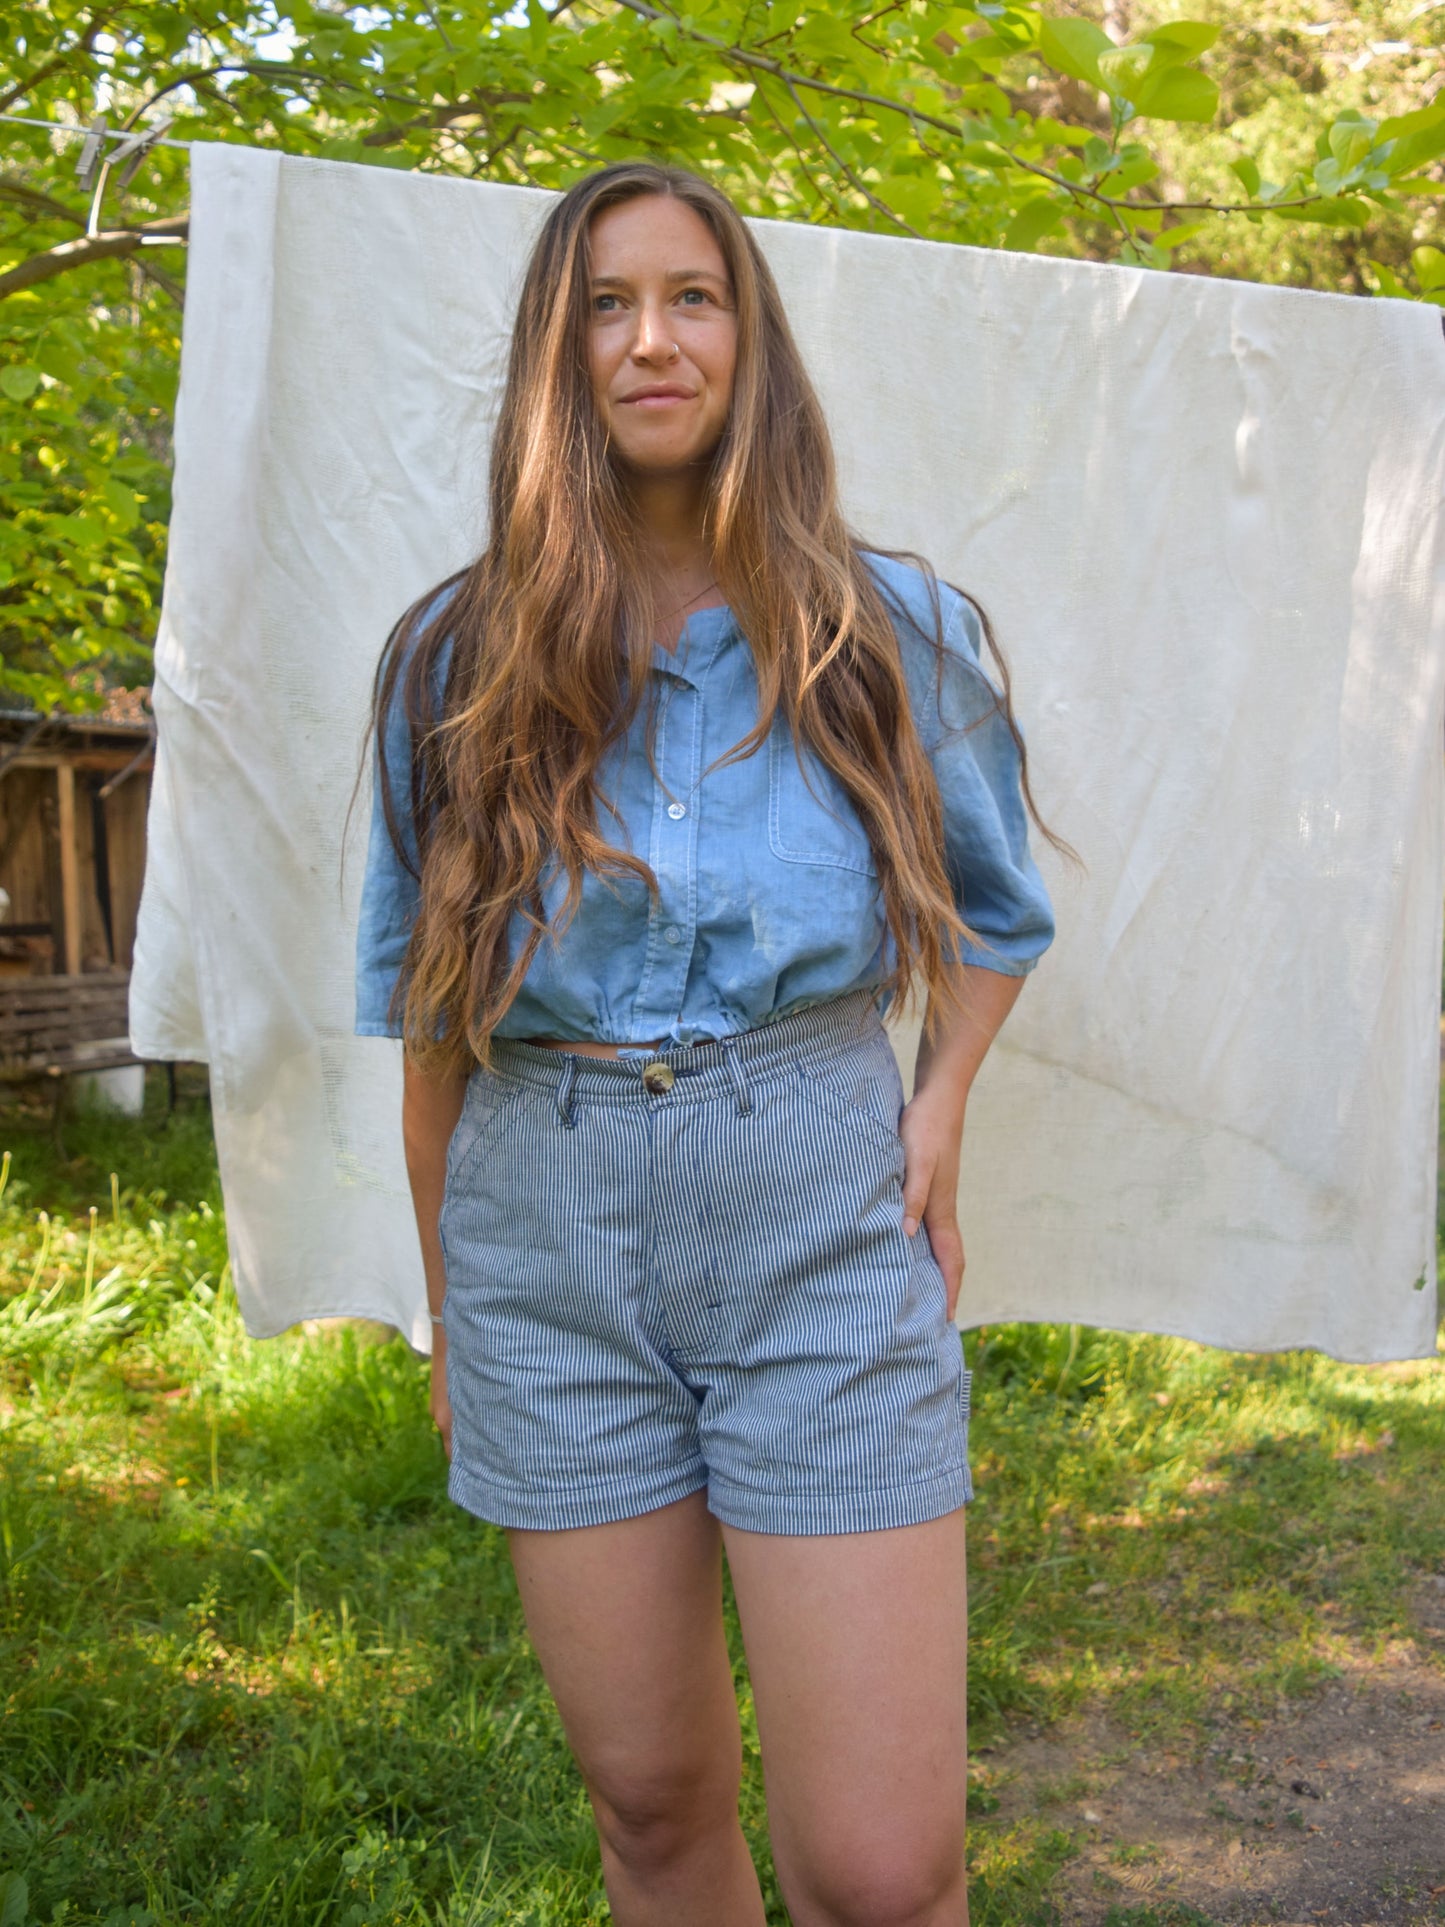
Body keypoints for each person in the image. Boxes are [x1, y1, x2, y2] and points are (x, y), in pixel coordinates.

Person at [355, 160, 1056, 1927]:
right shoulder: (456, 659)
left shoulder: (883, 633)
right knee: (653, 1808)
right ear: (557, 352)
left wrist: (940, 1102)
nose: (649, 340)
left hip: (816, 1216)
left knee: (881, 1873)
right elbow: (434, 1026)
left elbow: (995, 916)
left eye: (691, 296)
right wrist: (450, 1307)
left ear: (750, 338)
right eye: (605, 304)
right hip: (546, 1248)